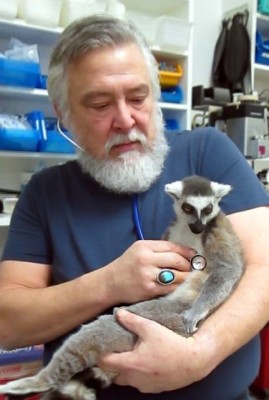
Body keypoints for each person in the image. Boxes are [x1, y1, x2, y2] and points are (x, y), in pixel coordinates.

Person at [0, 15, 269, 400]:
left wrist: (199, 354)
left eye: (138, 97)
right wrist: (109, 283)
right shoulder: (44, 194)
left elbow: (265, 268)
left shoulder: (207, 151)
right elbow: (8, 323)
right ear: (64, 113)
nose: (126, 120)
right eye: (99, 104)